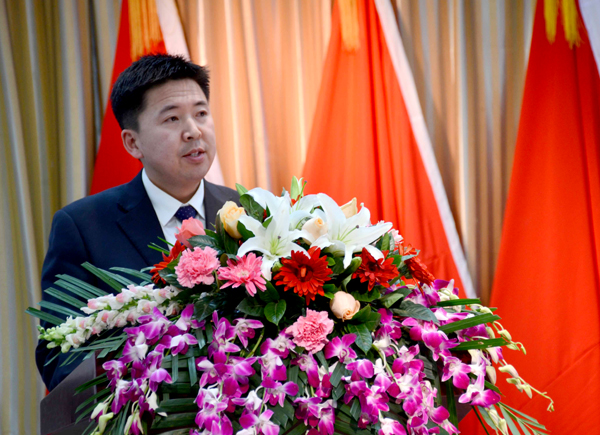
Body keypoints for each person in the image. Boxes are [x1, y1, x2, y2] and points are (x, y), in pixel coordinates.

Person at [36, 54, 239, 391]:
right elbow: (58, 356)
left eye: (201, 113)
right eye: (172, 118)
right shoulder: (82, 227)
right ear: (133, 143)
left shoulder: (247, 214)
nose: (193, 131)